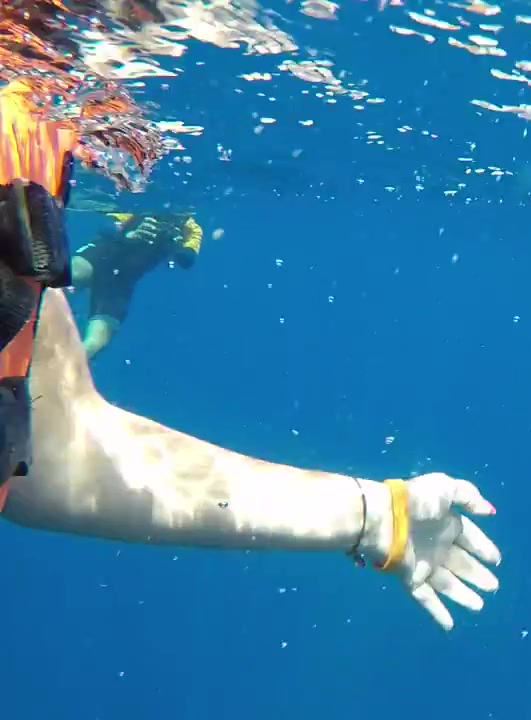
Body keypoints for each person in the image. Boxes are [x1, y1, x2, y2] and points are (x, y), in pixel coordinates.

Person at [0, 79, 502, 631]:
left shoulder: (26, 139)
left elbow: (58, 447)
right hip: (110, 259)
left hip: (117, 274)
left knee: (95, 321)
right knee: (84, 284)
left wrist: (376, 514)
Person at [70, 209, 204, 359]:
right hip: (104, 254)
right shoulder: (142, 207)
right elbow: (106, 227)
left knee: (97, 341)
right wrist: (129, 235)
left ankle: (69, 362)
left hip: (123, 279)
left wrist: (175, 244)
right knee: (75, 273)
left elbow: (187, 259)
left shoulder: (191, 228)